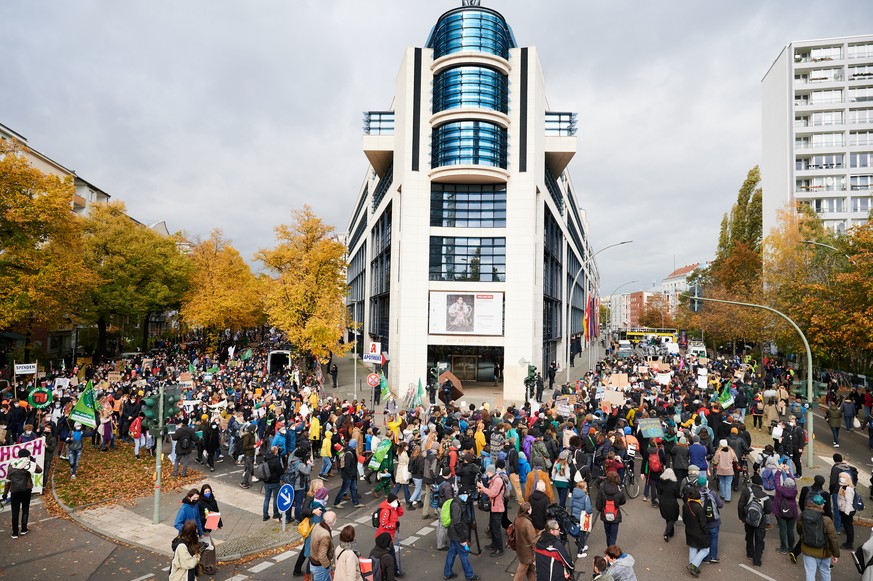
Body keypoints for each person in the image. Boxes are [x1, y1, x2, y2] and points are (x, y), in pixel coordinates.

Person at [796, 494, 839, 581]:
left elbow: (799, 530)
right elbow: (833, 538)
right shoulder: (827, 520)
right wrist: (835, 554)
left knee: (810, 573)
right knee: (825, 571)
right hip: (824, 551)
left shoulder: (803, 516)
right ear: (822, 505)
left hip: (807, 549)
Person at [3, 448, 43, 538]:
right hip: (26, 490)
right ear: (28, 456)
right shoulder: (28, 464)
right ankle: (24, 529)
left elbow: (8, 480)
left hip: (14, 491)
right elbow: (39, 470)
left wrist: (5, 493)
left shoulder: (12, 465)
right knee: (25, 509)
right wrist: (33, 461)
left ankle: (15, 532)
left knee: (15, 512)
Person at [443, 490, 479, 581]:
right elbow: (457, 523)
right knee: (464, 554)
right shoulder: (457, 505)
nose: (467, 496)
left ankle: (447, 573)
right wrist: (463, 538)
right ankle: (469, 576)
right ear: (462, 494)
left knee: (452, 553)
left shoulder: (457, 502)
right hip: (458, 535)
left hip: (453, 534)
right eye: (467, 494)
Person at [737, 474, 772, 568]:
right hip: (760, 521)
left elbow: (740, 505)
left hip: (748, 519)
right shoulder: (765, 496)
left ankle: (750, 553)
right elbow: (768, 510)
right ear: (761, 485)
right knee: (759, 539)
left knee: (749, 536)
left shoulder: (746, 491)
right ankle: (756, 560)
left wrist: (742, 518)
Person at [477, 464, 506, 556]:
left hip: (497, 508)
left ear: (490, 472)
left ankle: (499, 549)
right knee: (493, 528)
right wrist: (482, 490)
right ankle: (494, 544)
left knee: (496, 529)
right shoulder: (495, 479)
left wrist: (482, 487)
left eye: (487, 471)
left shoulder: (497, 481)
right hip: (494, 507)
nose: (486, 473)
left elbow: (492, 493)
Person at [376, 493, 405, 577]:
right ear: (392, 501)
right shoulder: (386, 510)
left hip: (389, 536)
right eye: (396, 501)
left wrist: (399, 506)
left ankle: (389, 571)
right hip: (384, 537)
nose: (397, 502)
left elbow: (401, 513)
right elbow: (384, 524)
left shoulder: (393, 508)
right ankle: (393, 572)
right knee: (390, 555)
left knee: (388, 555)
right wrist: (394, 525)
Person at [683, 488, 710, 577]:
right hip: (698, 532)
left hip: (689, 530)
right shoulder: (699, 508)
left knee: (692, 547)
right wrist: (706, 532)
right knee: (706, 549)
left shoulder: (686, 505)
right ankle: (693, 565)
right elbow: (703, 523)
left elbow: (684, 519)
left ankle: (692, 566)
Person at [596, 472, 626, 547]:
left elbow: (598, 505)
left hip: (605, 515)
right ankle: (611, 554)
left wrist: (602, 510)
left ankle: (608, 550)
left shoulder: (602, 489)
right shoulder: (618, 491)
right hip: (615, 515)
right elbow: (623, 501)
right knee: (613, 537)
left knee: (608, 535)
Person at [773, 471, 799, 554]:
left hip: (781, 512)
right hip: (792, 512)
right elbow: (793, 481)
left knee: (783, 529)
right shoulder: (795, 490)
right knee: (790, 530)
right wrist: (788, 472)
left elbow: (776, 479)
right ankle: (791, 547)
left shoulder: (780, 490)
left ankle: (783, 547)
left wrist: (779, 471)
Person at [334, 439, 364, 509]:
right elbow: (347, 466)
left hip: (350, 475)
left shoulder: (349, 452)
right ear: (354, 446)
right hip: (349, 475)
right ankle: (336, 502)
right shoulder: (349, 454)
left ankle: (356, 502)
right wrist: (351, 473)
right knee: (344, 489)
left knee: (353, 488)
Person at [511, 502, 537, 581]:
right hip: (527, 552)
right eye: (530, 508)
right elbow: (532, 539)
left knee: (530, 570)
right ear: (528, 511)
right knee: (520, 573)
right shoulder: (527, 523)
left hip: (520, 548)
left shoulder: (517, 518)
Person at [309, 510, 337, 581]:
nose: (336, 520)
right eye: (335, 519)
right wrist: (327, 566)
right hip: (320, 567)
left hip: (314, 561)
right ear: (330, 522)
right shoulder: (325, 535)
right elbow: (322, 556)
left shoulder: (317, 525)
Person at [569, 480, 593, 558]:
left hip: (574, 517)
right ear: (583, 488)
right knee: (582, 534)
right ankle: (580, 551)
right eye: (586, 487)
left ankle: (581, 545)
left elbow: (570, 504)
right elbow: (588, 509)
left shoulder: (573, 494)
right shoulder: (586, 497)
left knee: (578, 533)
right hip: (582, 518)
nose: (587, 488)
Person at [657, 467, 681, 543]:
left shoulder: (660, 482)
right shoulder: (675, 483)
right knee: (672, 518)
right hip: (672, 502)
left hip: (663, 502)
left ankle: (671, 532)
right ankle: (667, 532)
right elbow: (677, 494)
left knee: (667, 517)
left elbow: (659, 491)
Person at [836, 471, 857, 550]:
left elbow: (849, 502)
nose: (841, 479)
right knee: (847, 526)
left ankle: (849, 544)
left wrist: (846, 513)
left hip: (847, 511)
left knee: (849, 527)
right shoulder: (842, 487)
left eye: (843, 477)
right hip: (843, 510)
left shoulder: (848, 489)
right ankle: (848, 542)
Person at [262, 445, 284, 521]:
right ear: (275, 451)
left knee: (266, 498)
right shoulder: (276, 460)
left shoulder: (265, 458)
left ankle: (265, 514)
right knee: (275, 498)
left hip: (266, 481)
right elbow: (280, 471)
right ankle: (275, 513)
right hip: (275, 482)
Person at [239, 422, 256, 488]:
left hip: (251, 453)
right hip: (248, 454)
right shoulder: (247, 436)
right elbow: (245, 446)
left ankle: (246, 482)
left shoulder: (251, 435)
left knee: (249, 468)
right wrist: (253, 446)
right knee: (249, 469)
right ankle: (244, 482)